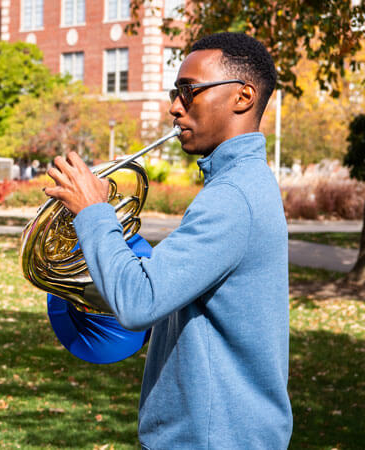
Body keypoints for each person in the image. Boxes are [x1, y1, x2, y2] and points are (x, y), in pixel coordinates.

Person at [45, 32, 293, 449]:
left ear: (243, 97)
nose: (175, 107)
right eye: (175, 92)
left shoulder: (233, 198)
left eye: (189, 91)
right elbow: (165, 296)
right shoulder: (236, 185)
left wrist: (92, 210)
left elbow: (139, 302)